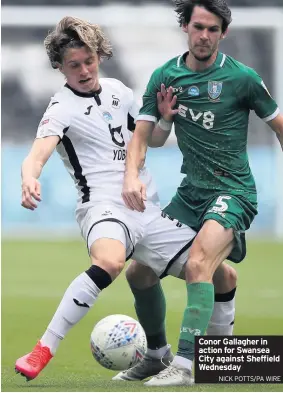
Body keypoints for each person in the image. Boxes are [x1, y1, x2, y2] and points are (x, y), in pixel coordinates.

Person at [14, 15, 237, 383]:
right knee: (110, 260)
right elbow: (37, 154)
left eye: (89, 61)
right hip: (102, 208)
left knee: (222, 275)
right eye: (74, 65)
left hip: (146, 209)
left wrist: (164, 120)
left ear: (99, 56)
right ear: (59, 67)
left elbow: (149, 141)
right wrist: (28, 178)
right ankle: (44, 348)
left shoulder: (119, 91)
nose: (85, 70)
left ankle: (211, 363)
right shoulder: (61, 108)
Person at [121, 0, 283, 387]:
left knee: (198, 265)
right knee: (139, 273)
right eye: (198, 27)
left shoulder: (242, 78)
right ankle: (161, 357)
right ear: (186, 28)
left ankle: (187, 363)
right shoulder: (165, 76)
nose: (205, 36)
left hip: (233, 192)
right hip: (190, 194)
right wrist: (133, 173)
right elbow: (148, 138)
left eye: (213, 29)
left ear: (223, 33)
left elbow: (279, 125)